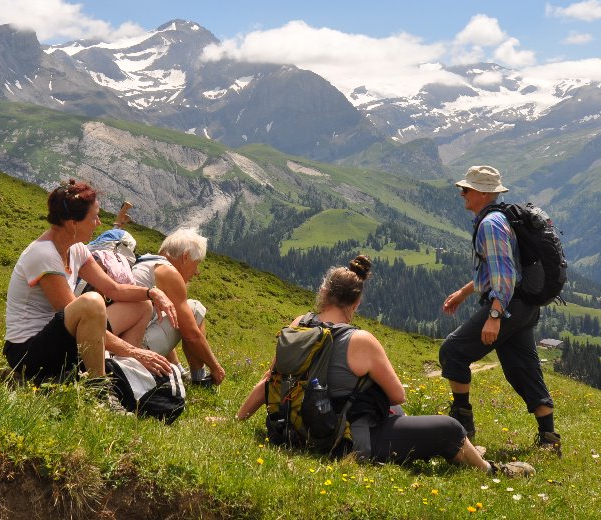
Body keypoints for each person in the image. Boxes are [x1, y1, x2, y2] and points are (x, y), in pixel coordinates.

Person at [237, 255, 534, 477]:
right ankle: (490, 470)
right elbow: (397, 396)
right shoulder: (360, 340)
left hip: (292, 431)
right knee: (449, 427)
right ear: (356, 303)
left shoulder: (299, 325)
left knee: (396, 413)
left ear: (324, 293)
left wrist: (237, 420)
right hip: (344, 441)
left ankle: (466, 451)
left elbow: (271, 380)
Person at [3, 179, 177, 388]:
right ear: (73, 223)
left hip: (59, 340)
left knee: (142, 305)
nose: (99, 223)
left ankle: (123, 373)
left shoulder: (75, 248)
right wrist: (136, 352)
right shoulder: (44, 255)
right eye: (94, 217)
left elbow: (113, 289)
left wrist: (152, 292)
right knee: (91, 302)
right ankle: (99, 387)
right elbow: (75, 314)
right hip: (28, 352)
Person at [440, 165, 561, 454]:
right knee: (524, 368)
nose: (462, 194)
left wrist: (494, 315)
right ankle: (549, 439)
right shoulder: (498, 218)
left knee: (453, 351)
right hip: (524, 305)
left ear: (483, 193)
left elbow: (505, 276)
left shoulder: (490, 225)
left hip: (509, 305)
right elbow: (494, 270)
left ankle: (462, 426)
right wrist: (463, 293)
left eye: (467, 189)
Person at [131, 228, 225, 386]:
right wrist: (216, 368)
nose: (197, 272)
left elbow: (164, 320)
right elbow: (191, 335)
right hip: (137, 351)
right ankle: (200, 379)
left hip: (120, 346)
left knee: (173, 314)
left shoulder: (145, 262)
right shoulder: (169, 273)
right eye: (197, 264)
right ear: (186, 256)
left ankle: (178, 371)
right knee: (195, 309)